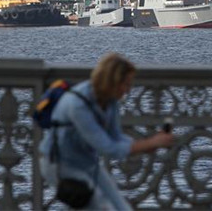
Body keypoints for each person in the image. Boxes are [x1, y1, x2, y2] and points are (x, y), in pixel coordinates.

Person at [39, 53, 174, 210]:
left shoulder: (110, 102)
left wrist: (148, 145)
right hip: (60, 164)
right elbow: (107, 148)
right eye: (126, 84)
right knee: (98, 205)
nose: (128, 90)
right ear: (113, 81)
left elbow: (115, 137)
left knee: (121, 206)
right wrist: (148, 144)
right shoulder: (78, 105)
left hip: (87, 161)